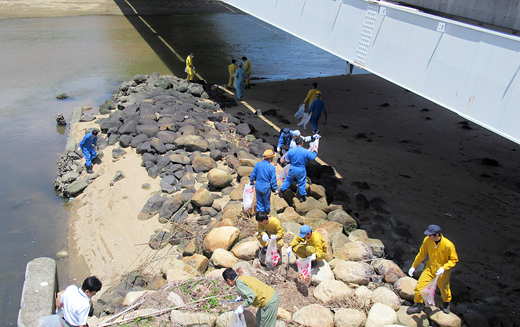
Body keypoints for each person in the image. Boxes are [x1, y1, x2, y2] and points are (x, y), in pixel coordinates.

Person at [406, 225, 459, 315]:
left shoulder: (448, 245)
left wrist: (444, 268)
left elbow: (454, 260)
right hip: (430, 268)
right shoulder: (427, 240)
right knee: (419, 287)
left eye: (430, 235)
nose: (428, 236)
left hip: (442, 272)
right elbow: (422, 254)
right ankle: (418, 305)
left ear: (436, 235)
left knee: (444, 289)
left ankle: (446, 303)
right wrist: (414, 266)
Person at [279, 137, 317, 202]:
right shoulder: (305, 151)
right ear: (302, 143)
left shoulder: (291, 151)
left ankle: (281, 191)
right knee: (301, 182)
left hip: (292, 168)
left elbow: (286, 160)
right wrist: (315, 151)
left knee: (288, 180)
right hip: (301, 169)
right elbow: (313, 157)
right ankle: (302, 197)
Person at [250, 149, 277, 213]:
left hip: (258, 186)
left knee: (259, 202)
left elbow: (253, 174)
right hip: (266, 187)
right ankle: (266, 215)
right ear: (270, 158)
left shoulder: (258, 164)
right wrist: (275, 188)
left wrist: (251, 181)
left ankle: (260, 216)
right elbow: (273, 180)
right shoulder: (272, 168)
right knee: (266, 202)